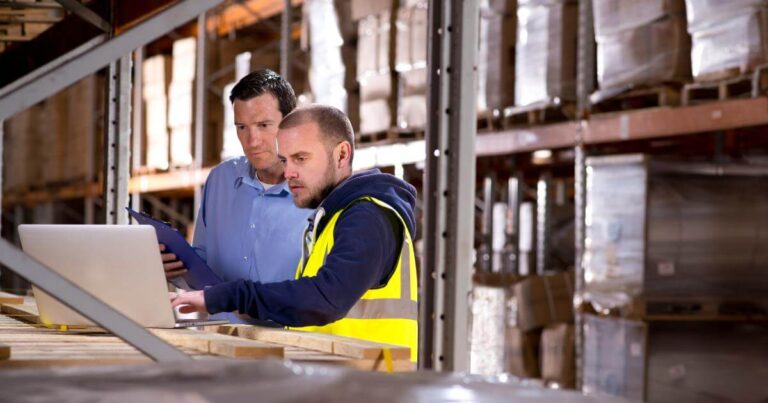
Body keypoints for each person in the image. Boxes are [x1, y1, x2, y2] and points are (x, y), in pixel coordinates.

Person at [171, 104, 419, 361]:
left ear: (342, 155)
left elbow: (325, 298)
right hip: (344, 376)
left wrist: (228, 296)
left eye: (300, 158)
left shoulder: (368, 217)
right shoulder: (332, 219)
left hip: (374, 379)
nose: (288, 173)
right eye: (284, 160)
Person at [161, 69, 312, 324]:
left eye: (263, 126)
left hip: (290, 343)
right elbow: (202, 268)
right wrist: (173, 266)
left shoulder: (315, 192)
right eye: (242, 127)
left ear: (290, 122)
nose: (252, 140)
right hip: (222, 339)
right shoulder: (220, 180)